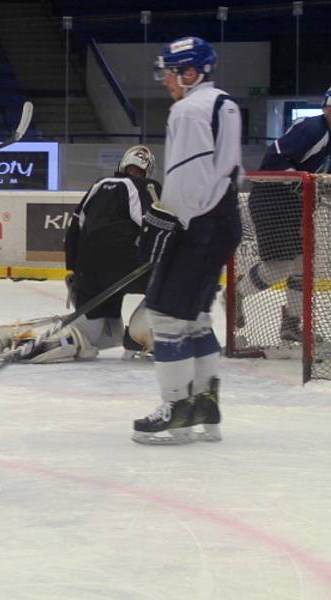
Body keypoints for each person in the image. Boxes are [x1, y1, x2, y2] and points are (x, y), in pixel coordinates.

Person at [133, 36, 242, 444]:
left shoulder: (188, 110)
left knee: (165, 316)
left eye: (170, 73)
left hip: (197, 222)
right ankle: (205, 405)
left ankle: (177, 408)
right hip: (223, 216)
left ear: (191, 73)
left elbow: (186, 178)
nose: (166, 82)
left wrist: (167, 221)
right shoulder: (224, 103)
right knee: (195, 318)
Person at [0, 145, 160, 362]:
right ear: (148, 171)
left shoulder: (98, 185)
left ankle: (31, 337)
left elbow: (74, 229)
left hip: (89, 270)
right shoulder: (146, 186)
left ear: (122, 165)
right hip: (128, 265)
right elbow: (150, 224)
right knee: (171, 284)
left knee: (100, 333)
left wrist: (73, 270)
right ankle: (139, 337)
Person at [231, 85, 331, 342]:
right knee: (279, 266)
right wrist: (301, 183)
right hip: (272, 198)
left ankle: (290, 324)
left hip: (291, 200)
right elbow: (274, 158)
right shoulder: (314, 129)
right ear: (327, 107)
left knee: (302, 263)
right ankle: (237, 293)